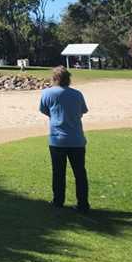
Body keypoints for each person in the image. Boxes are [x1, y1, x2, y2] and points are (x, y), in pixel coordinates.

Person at [39, 66, 90, 212]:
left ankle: (58, 201)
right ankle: (83, 204)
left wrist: (56, 115)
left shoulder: (47, 93)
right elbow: (83, 111)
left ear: (54, 78)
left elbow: (44, 110)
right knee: (80, 173)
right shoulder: (77, 94)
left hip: (57, 140)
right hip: (77, 140)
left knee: (58, 172)